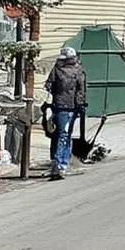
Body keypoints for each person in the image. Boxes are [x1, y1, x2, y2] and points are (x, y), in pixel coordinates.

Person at [44, 46, 87, 180]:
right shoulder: (79, 70)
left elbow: (48, 85)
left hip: (61, 106)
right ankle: (61, 164)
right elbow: (81, 90)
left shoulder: (58, 69)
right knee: (65, 135)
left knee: (63, 135)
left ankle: (59, 164)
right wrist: (80, 105)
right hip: (69, 107)